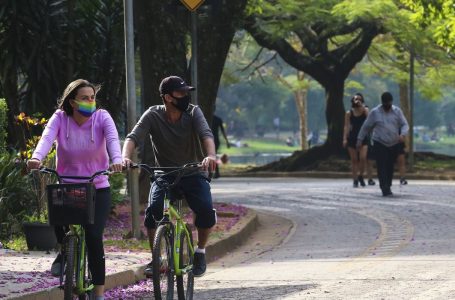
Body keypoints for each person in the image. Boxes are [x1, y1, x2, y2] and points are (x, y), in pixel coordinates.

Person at [27, 79, 123, 300]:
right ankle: (64, 250)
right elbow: (46, 138)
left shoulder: (102, 117)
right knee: (58, 222)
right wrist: (36, 157)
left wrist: (116, 159)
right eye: (85, 98)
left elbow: (112, 139)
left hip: (97, 187)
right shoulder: (60, 118)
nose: (91, 101)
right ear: (72, 102)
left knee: (93, 236)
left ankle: (98, 293)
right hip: (68, 186)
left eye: (93, 97)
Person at [122, 75, 217, 277]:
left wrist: (210, 156)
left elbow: (206, 134)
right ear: (167, 97)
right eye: (180, 93)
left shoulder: (193, 112)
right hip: (164, 174)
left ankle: (200, 251)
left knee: (206, 210)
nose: (185, 97)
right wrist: (125, 158)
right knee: (153, 212)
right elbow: (133, 137)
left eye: (186, 92)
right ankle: (155, 258)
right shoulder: (152, 115)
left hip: (193, 172)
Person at [357, 92, 409, 196]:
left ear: (391, 102)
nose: (387, 106)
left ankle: (388, 184)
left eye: (389, 103)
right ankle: (384, 187)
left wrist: (403, 135)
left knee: (389, 165)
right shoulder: (375, 112)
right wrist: (359, 140)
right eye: (385, 104)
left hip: (394, 143)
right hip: (379, 142)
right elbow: (365, 127)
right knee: (381, 165)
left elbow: (405, 124)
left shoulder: (397, 111)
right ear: (382, 102)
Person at [343, 93, 369, 187]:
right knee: (354, 160)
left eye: (359, 99)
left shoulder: (365, 110)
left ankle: (360, 175)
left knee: (362, 158)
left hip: (363, 137)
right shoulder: (349, 113)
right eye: (355, 99)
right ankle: (355, 180)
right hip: (352, 137)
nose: (357, 100)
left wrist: (362, 107)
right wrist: (345, 139)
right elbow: (346, 126)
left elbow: (369, 120)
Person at [211, 112, 230, 178]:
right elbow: (223, 131)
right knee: (213, 155)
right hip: (214, 140)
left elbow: (222, 131)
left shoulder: (208, 119)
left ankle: (216, 172)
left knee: (213, 155)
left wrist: (227, 141)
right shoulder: (217, 119)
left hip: (213, 140)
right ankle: (215, 172)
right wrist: (227, 142)